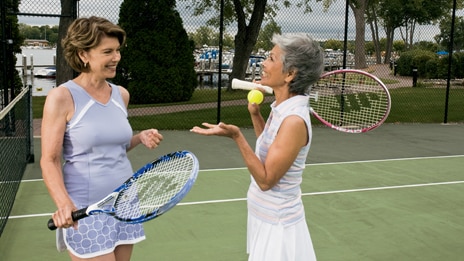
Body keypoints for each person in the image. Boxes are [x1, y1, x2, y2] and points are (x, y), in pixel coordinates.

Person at [190, 33, 324, 261]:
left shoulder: (293, 121)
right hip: (264, 218)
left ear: (290, 74)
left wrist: (237, 137)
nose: (263, 62)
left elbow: (265, 179)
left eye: (271, 58)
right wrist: (255, 115)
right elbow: (269, 149)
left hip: (278, 228)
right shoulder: (281, 108)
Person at [40, 16, 164, 260]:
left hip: (125, 202)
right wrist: (63, 203)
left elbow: (111, 147)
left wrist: (139, 138)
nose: (116, 57)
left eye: (117, 50)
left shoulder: (121, 95)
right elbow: (50, 159)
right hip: (86, 209)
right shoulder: (61, 97)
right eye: (107, 51)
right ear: (83, 54)